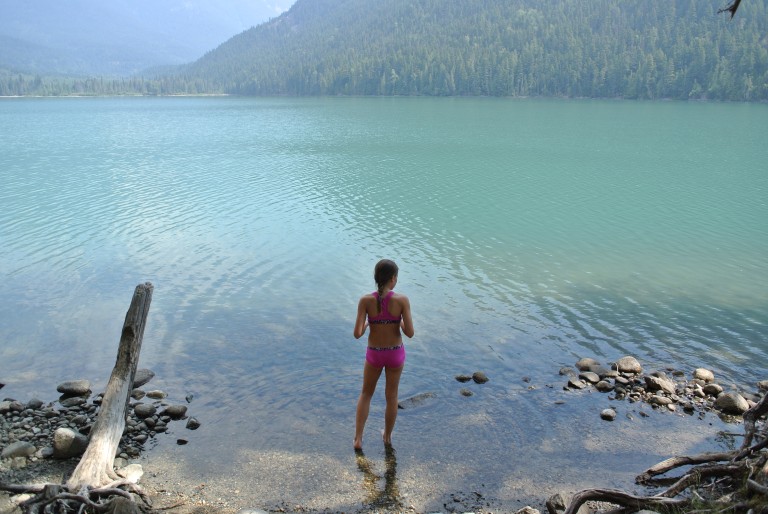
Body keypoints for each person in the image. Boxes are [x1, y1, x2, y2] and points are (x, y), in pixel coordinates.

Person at [353, 259, 414, 450]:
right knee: (392, 396)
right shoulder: (402, 300)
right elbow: (410, 333)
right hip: (395, 354)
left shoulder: (365, 300)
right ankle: (387, 437)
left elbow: (357, 334)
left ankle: (358, 439)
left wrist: (369, 323)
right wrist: (399, 322)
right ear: (393, 279)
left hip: (375, 354)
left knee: (366, 393)